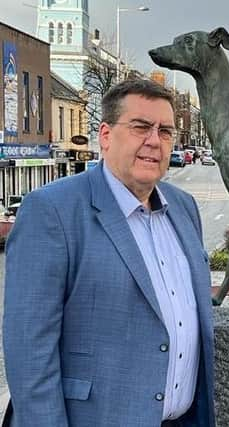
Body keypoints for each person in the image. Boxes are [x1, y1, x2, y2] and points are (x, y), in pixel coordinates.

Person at [3, 79, 215, 427]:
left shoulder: (184, 207)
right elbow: (29, 349)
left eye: (164, 131)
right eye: (140, 127)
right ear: (105, 135)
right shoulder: (52, 211)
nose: (153, 141)